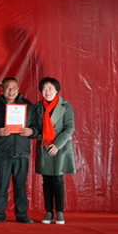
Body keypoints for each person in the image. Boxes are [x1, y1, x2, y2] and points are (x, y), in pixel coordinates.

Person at [0, 77, 37, 224]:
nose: (11, 90)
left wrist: (31, 132)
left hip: (22, 151)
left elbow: (36, 127)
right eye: (7, 87)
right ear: (2, 89)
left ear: (18, 89)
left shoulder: (28, 106)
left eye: (14, 87)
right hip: (3, 151)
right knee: (2, 185)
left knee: (20, 185)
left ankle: (21, 214)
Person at [34, 77, 76, 225]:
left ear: (57, 90)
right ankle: (48, 212)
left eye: (50, 88)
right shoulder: (37, 107)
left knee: (58, 180)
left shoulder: (65, 105)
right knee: (46, 180)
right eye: (44, 89)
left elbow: (69, 127)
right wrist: (41, 138)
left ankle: (59, 211)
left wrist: (57, 145)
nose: (47, 91)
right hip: (45, 146)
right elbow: (35, 127)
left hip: (60, 148)